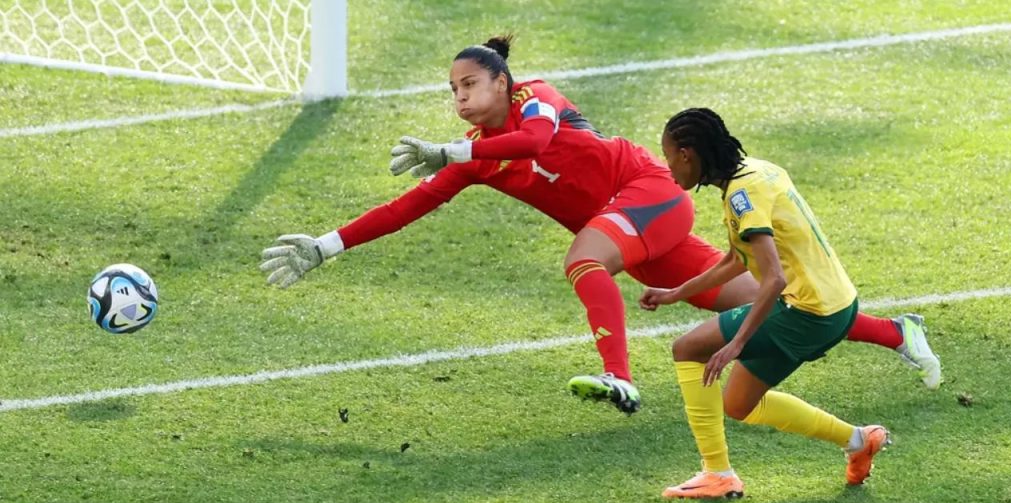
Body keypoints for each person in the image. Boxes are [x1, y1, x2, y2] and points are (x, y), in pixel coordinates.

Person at [259, 36, 939, 417]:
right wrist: (327, 245)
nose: (461, 98)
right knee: (774, 304)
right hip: (635, 235)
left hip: (646, 194)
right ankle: (895, 331)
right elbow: (407, 207)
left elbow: (531, 144)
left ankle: (618, 376)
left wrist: (454, 150)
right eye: (453, 91)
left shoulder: (538, 98)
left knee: (584, 260)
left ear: (502, 83)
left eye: (470, 85)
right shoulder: (474, 161)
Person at [642, 108, 894, 499]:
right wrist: (677, 293)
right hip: (837, 305)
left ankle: (717, 474)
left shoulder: (743, 195)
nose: (668, 167)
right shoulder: (759, 170)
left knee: (688, 347)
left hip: (805, 311)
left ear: (688, 154)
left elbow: (773, 278)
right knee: (738, 404)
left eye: (668, 156)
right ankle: (859, 440)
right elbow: (736, 259)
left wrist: (736, 344)